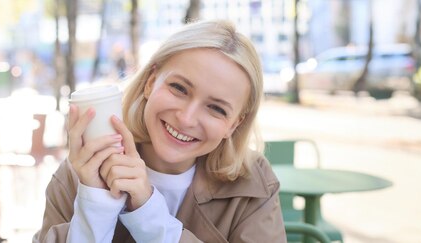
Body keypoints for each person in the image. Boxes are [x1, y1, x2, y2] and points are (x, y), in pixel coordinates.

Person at [33, 19, 285, 243]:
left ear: (234, 124)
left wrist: (148, 212)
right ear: (151, 82)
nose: (186, 119)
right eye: (179, 88)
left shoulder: (253, 182)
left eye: (216, 109)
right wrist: (96, 205)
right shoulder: (80, 173)